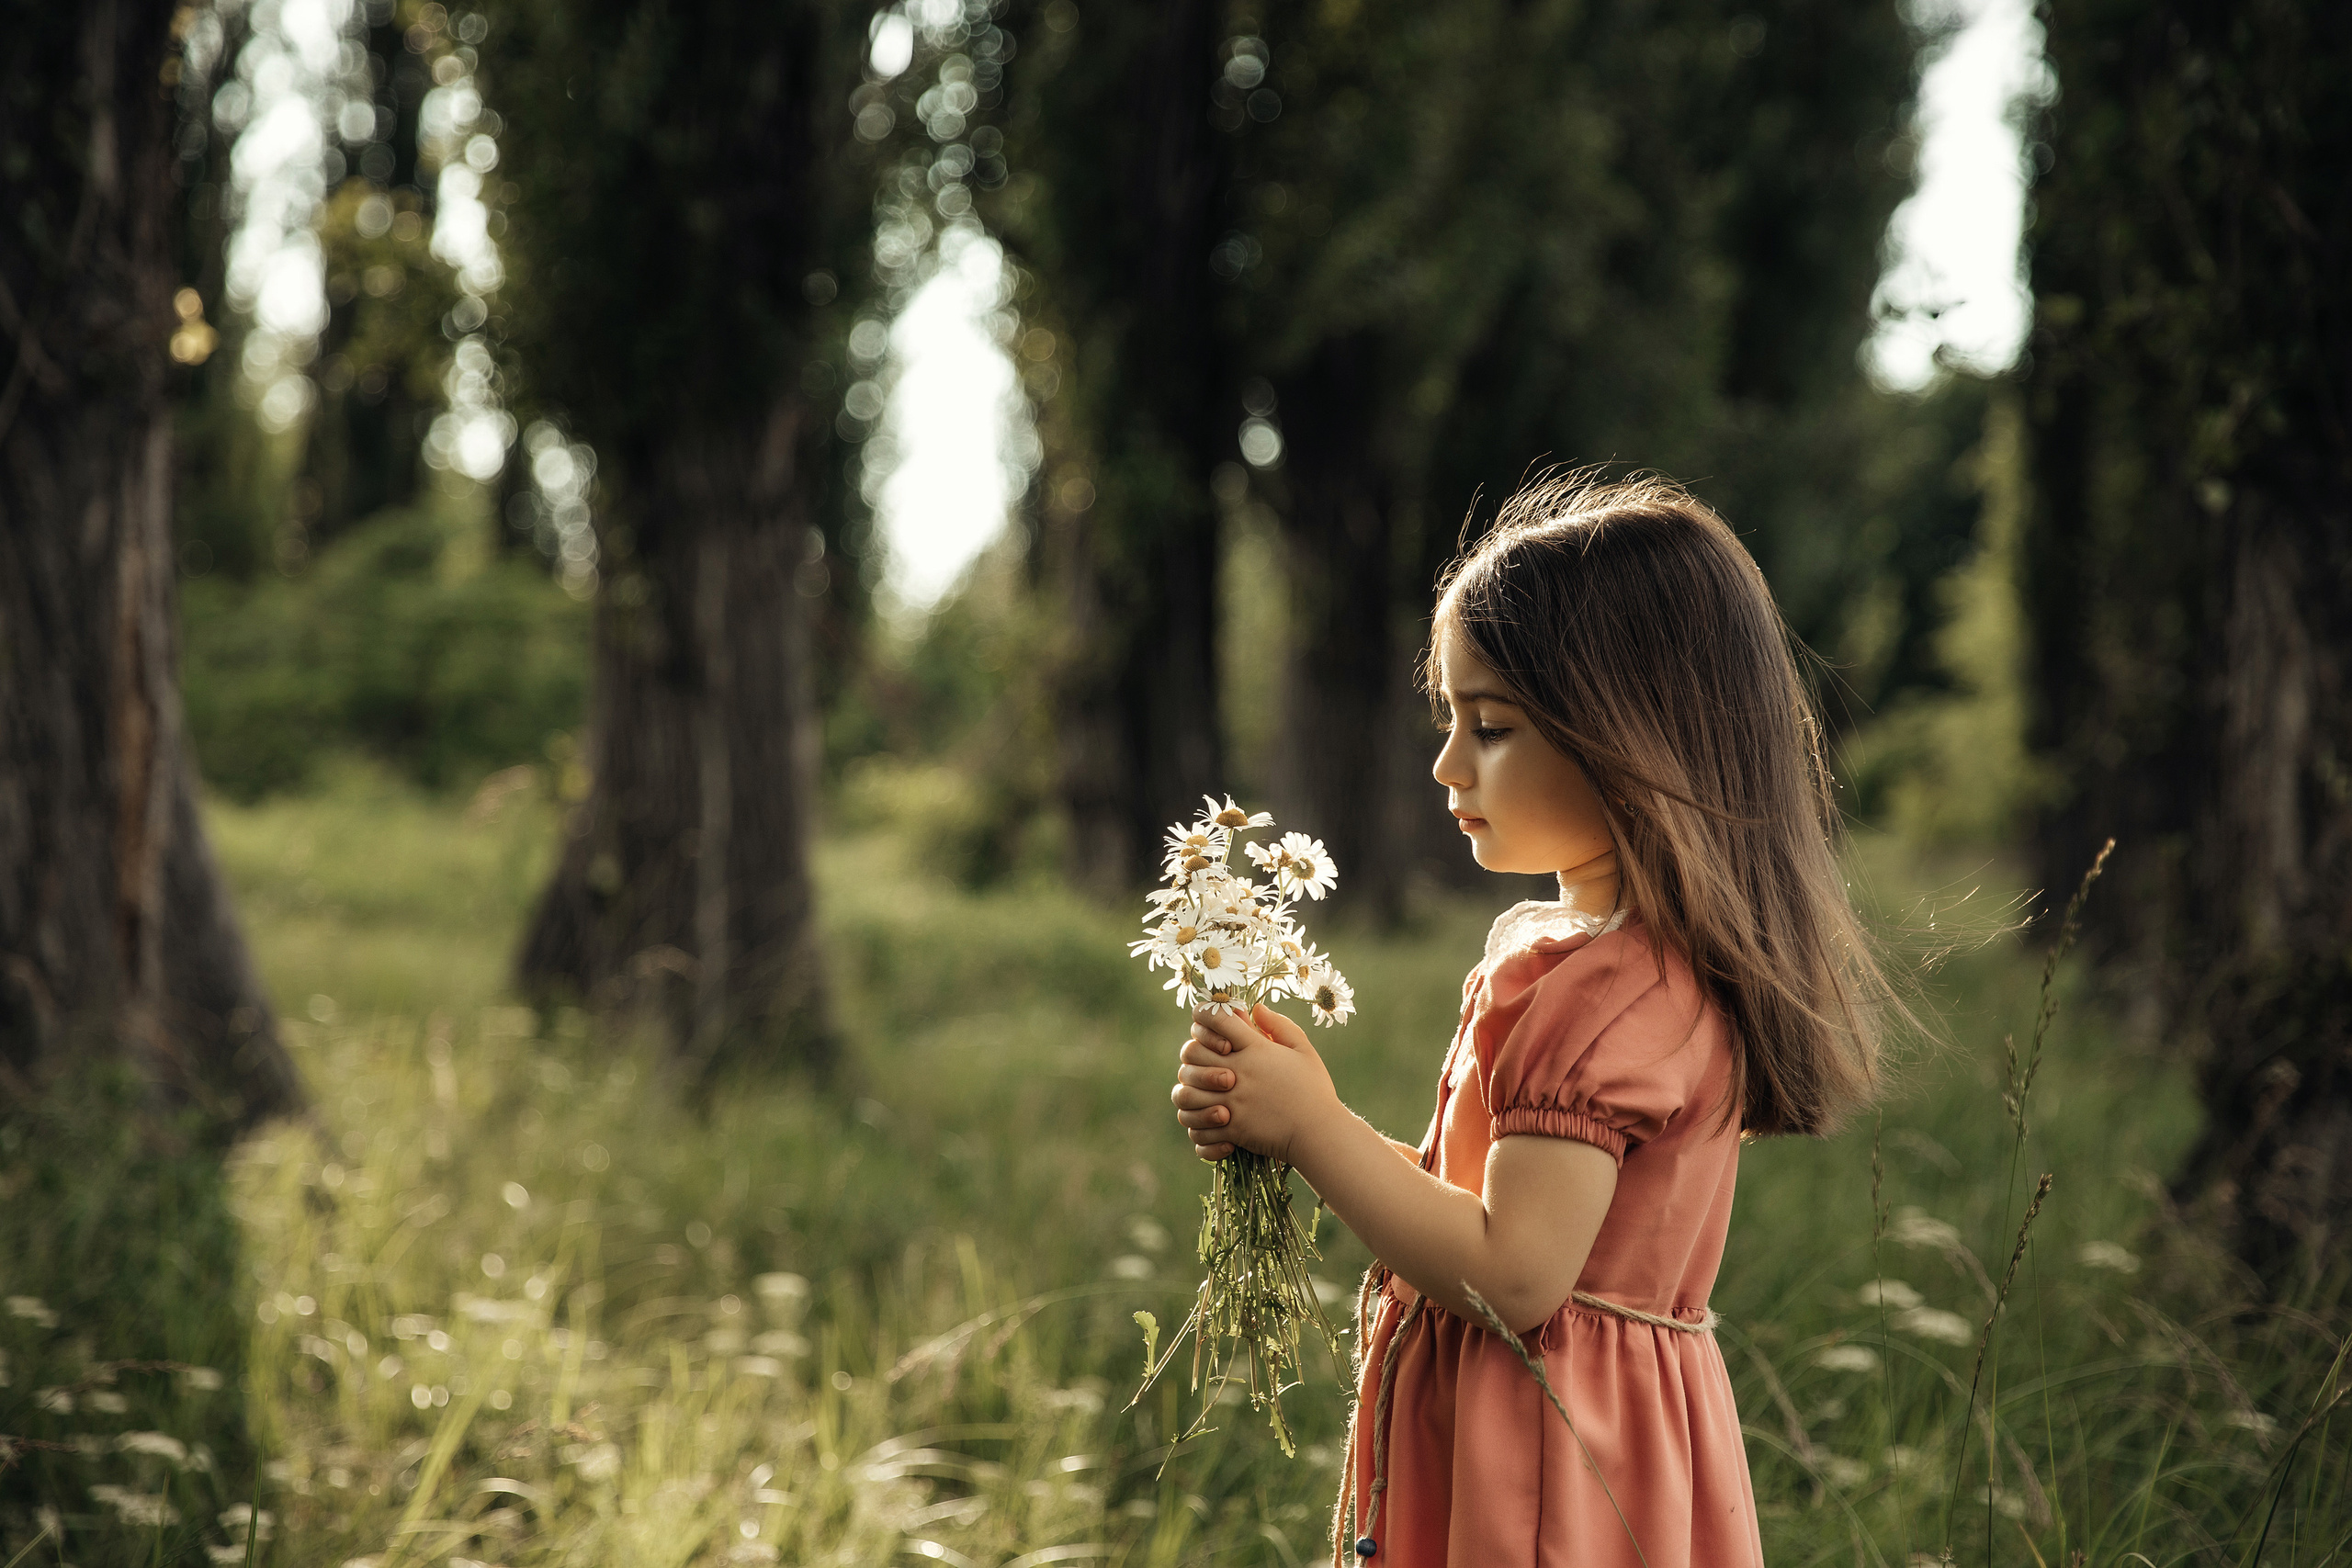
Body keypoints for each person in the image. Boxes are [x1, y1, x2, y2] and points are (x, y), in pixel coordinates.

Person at [1169, 474, 1903, 1568]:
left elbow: (1513, 1277)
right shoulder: (1579, 957)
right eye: (1449, 717)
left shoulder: (1611, 993)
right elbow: (1479, 1207)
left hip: (1552, 1456)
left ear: (1633, 734)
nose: (1447, 763)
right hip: (1563, 1429)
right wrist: (1288, 1110)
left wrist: (1313, 1132)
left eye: (1493, 725)